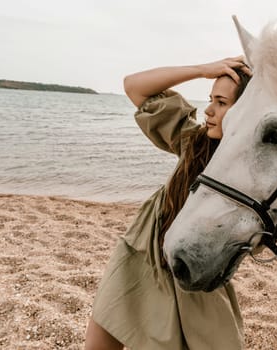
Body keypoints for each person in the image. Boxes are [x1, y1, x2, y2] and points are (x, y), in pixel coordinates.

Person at [85, 56, 252, 350]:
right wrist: (202, 70)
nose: (209, 110)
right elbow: (134, 87)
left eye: (222, 103)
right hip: (139, 259)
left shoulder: (251, 175)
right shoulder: (193, 142)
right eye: (211, 99)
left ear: (247, 110)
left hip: (193, 280)